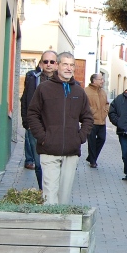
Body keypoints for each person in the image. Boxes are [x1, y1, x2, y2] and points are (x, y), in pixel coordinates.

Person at [27, 52, 94, 205]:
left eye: (71, 65)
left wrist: (80, 138)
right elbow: (32, 114)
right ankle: (49, 226)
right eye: (65, 64)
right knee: (50, 193)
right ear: (57, 65)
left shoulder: (79, 91)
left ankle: (61, 226)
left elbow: (88, 118)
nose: (69, 68)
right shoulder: (44, 88)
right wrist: (43, 137)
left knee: (64, 196)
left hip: (71, 151)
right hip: (49, 149)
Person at [20, 50, 57, 188]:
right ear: (41, 63)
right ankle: (44, 191)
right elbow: (24, 100)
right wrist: (27, 123)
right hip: (35, 127)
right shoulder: (32, 78)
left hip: (54, 128)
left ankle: (52, 191)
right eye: (45, 61)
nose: (48, 64)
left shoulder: (63, 82)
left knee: (54, 162)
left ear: (57, 65)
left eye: (52, 62)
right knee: (38, 162)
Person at [84, 73, 108, 169]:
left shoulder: (103, 92)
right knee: (92, 142)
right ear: (94, 81)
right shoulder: (86, 91)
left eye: (102, 79)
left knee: (102, 139)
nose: (103, 81)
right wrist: (93, 112)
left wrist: (106, 110)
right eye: (100, 79)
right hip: (91, 121)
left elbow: (106, 103)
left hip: (102, 121)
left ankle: (91, 157)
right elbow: (85, 106)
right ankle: (93, 161)